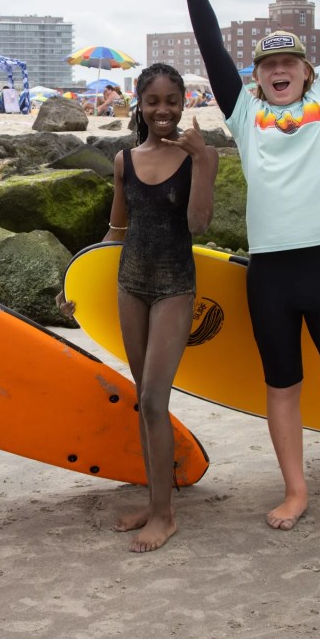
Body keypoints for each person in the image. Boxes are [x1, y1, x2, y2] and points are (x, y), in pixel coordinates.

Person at [167, 0, 320, 532]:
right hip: (271, 272)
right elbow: (211, 47)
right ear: (258, 76)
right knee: (282, 383)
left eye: (290, 60)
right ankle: (296, 491)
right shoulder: (243, 112)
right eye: (269, 64)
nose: (280, 69)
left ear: (308, 71)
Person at [58, 63, 218, 552]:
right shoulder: (124, 159)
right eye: (154, 101)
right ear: (141, 105)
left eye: (172, 101)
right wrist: (77, 284)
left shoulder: (198, 157)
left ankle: (164, 515)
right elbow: (117, 232)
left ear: (183, 104)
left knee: (153, 398)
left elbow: (198, 225)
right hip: (130, 285)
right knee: (143, 403)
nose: (163, 110)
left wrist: (205, 164)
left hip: (174, 288)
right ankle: (155, 502)